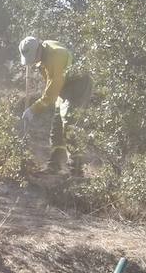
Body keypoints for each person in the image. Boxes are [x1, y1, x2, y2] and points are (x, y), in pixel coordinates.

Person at [18, 36, 93, 175]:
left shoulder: (55, 56)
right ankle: (55, 163)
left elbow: (53, 90)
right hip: (65, 86)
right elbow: (51, 83)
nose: (32, 62)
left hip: (78, 84)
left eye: (32, 58)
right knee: (57, 124)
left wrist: (34, 109)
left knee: (70, 122)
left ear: (38, 50)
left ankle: (75, 169)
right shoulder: (43, 53)